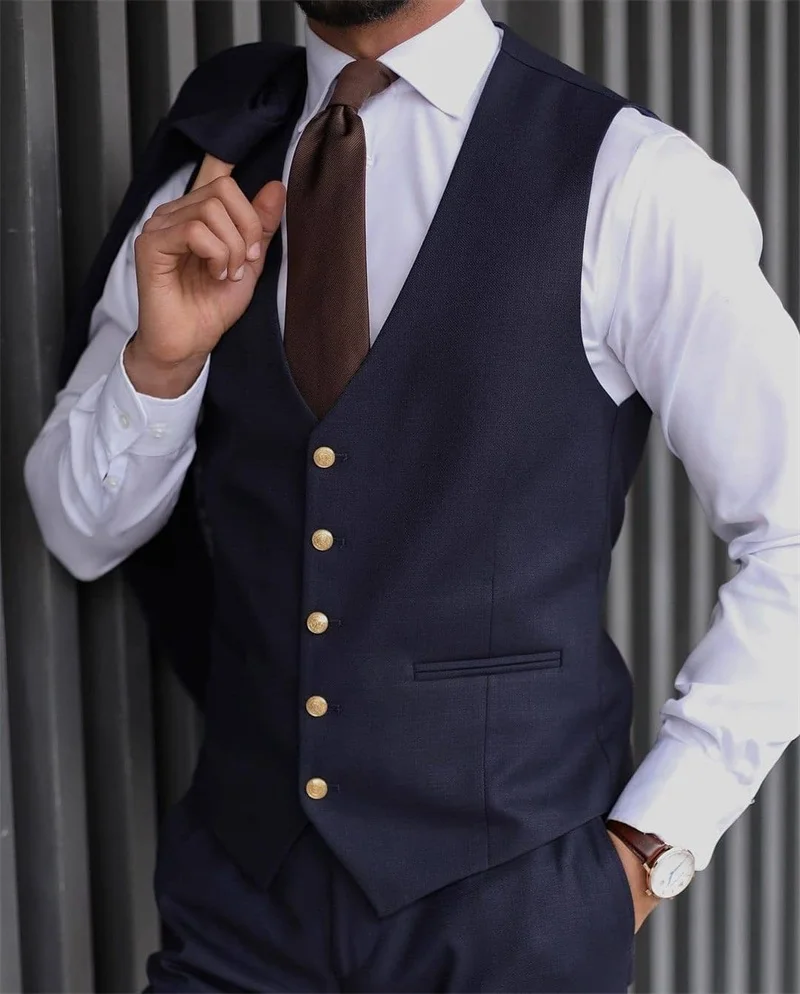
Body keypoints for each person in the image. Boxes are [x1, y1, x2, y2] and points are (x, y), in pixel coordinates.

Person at [24, 0, 800, 990]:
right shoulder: (213, 166)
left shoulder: (630, 180)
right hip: (238, 918)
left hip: (510, 925)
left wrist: (651, 847)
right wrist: (161, 365)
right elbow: (78, 531)